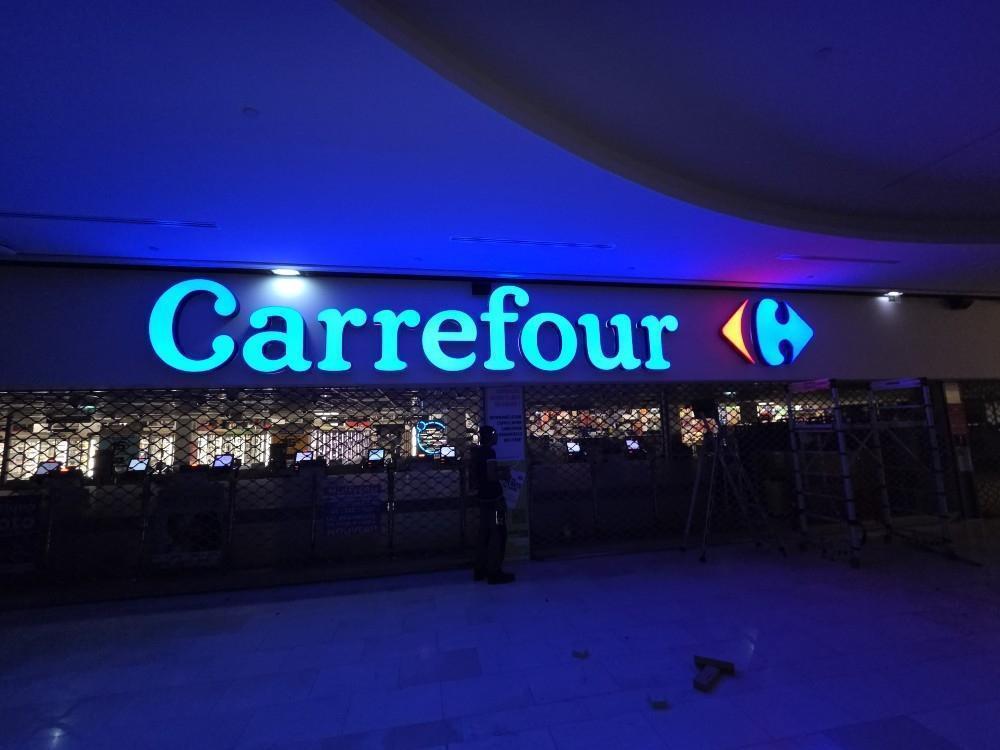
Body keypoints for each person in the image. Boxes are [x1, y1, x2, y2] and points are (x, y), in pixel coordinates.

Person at [472, 425, 515, 584]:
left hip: (483, 498)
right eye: (495, 434)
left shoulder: (477, 453)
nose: (497, 436)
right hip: (495, 500)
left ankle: (480, 569)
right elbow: (491, 475)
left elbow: (483, 472)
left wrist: (498, 468)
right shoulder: (489, 452)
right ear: (490, 436)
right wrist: (504, 474)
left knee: (484, 533)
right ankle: (494, 571)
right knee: (498, 531)